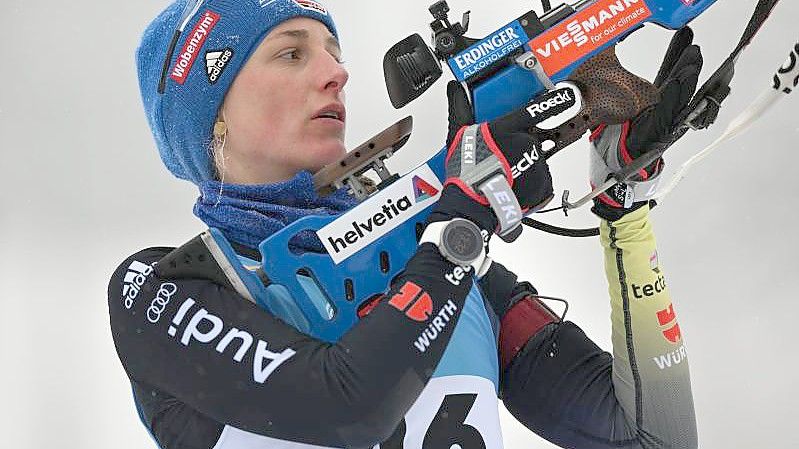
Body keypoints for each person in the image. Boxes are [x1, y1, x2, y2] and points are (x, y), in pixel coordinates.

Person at [108, 1, 701, 448]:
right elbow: (345, 407)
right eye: (292, 53)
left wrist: (625, 214)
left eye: (335, 56)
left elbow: (652, 432)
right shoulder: (165, 287)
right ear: (213, 119)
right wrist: (455, 237)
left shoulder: (430, 257)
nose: (336, 74)